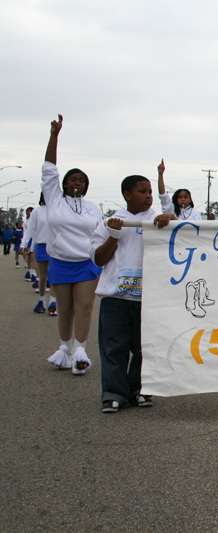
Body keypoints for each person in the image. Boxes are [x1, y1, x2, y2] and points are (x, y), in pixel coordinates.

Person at [91, 173, 175, 413]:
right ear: (127, 195)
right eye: (142, 191)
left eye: (150, 192)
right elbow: (99, 259)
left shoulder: (159, 220)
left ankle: (139, 390)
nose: (149, 196)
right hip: (115, 298)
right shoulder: (112, 222)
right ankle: (114, 393)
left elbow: (183, 238)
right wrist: (113, 237)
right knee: (113, 347)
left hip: (148, 299)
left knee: (144, 348)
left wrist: (172, 218)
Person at [42, 115, 103, 375]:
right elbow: (48, 169)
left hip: (86, 264)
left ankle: (81, 351)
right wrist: (54, 136)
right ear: (65, 182)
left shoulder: (91, 208)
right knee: (64, 308)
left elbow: (100, 235)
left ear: (86, 186)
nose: (77, 183)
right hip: (59, 262)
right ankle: (64, 351)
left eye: (82, 181)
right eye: (73, 179)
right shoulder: (54, 199)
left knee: (85, 307)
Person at [25, 194, 57, 315]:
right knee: (43, 276)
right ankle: (41, 302)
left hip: (55, 246)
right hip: (41, 246)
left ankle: (53, 303)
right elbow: (32, 230)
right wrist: (29, 246)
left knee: (53, 275)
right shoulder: (37, 211)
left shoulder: (58, 209)